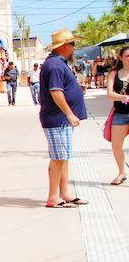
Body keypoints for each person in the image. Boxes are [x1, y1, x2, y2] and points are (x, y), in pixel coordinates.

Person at [39, 28, 88, 208]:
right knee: (58, 158)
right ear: (66, 46)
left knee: (63, 157)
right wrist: (69, 113)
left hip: (61, 121)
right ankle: (53, 197)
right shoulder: (54, 65)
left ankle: (64, 193)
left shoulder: (58, 63)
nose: (74, 48)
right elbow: (55, 92)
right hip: (57, 119)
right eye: (73, 44)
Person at [105, 46, 129, 185]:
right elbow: (109, 94)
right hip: (120, 113)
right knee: (116, 146)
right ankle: (122, 172)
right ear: (120, 57)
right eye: (127, 56)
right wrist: (124, 97)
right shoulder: (114, 73)